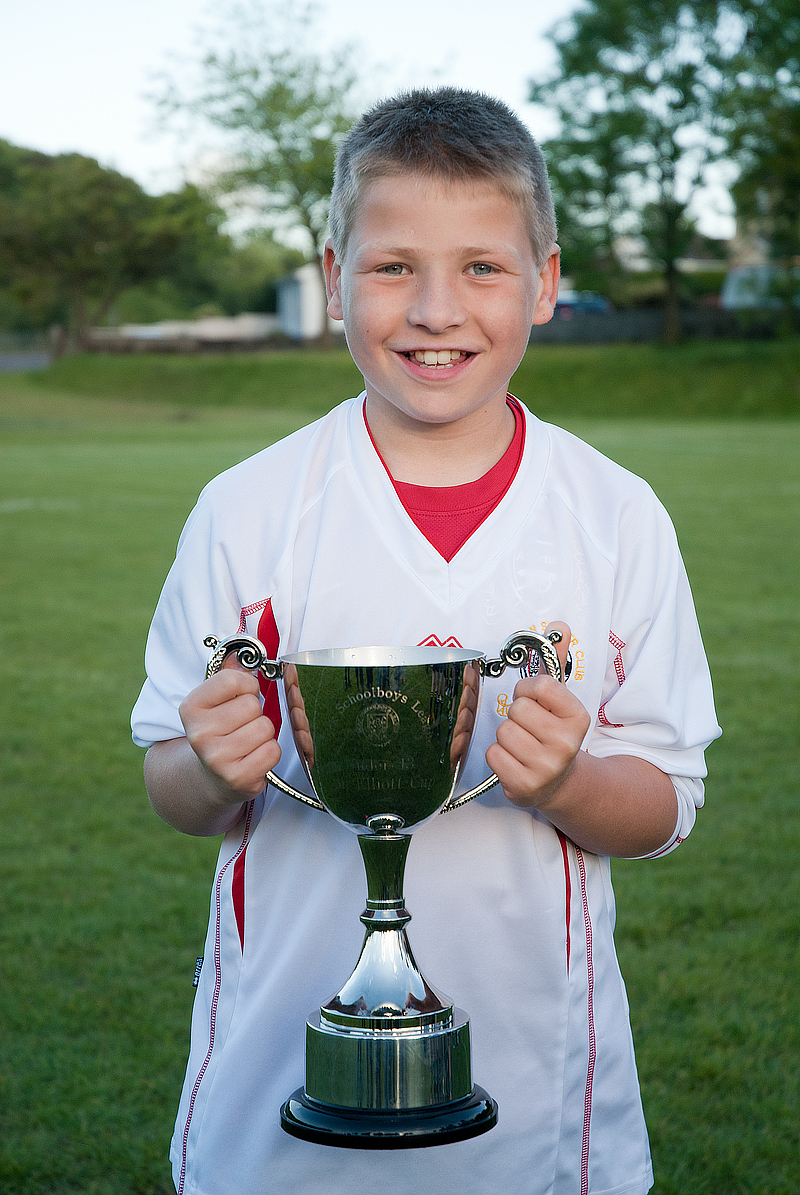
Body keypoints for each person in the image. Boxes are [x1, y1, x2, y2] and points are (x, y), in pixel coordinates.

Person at [132, 87, 720, 1195]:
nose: (436, 310)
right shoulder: (247, 509)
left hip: (538, 1104)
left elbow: (665, 804)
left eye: (482, 267)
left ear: (544, 282)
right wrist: (209, 768)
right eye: (393, 266)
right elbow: (173, 783)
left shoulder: (615, 514)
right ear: (333, 277)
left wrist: (570, 781)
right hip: (275, 1104)